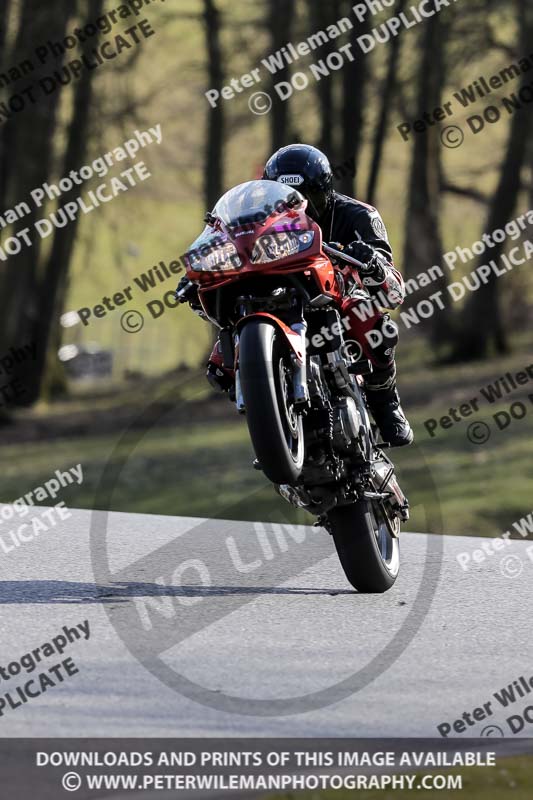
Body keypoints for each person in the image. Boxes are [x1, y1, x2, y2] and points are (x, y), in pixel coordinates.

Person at [179, 143, 413, 447]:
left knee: (375, 327)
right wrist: (200, 270)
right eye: (290, 200)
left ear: (326, 192)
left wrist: (372, 265)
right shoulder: (255, 219)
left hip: (336, 302)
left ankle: (385, 402)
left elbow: (394, 291)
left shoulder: (358, 215)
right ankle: (274, 411)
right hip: (275, 296)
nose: (302, 208)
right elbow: (220, 237)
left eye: (309, 198)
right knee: (219, 367)